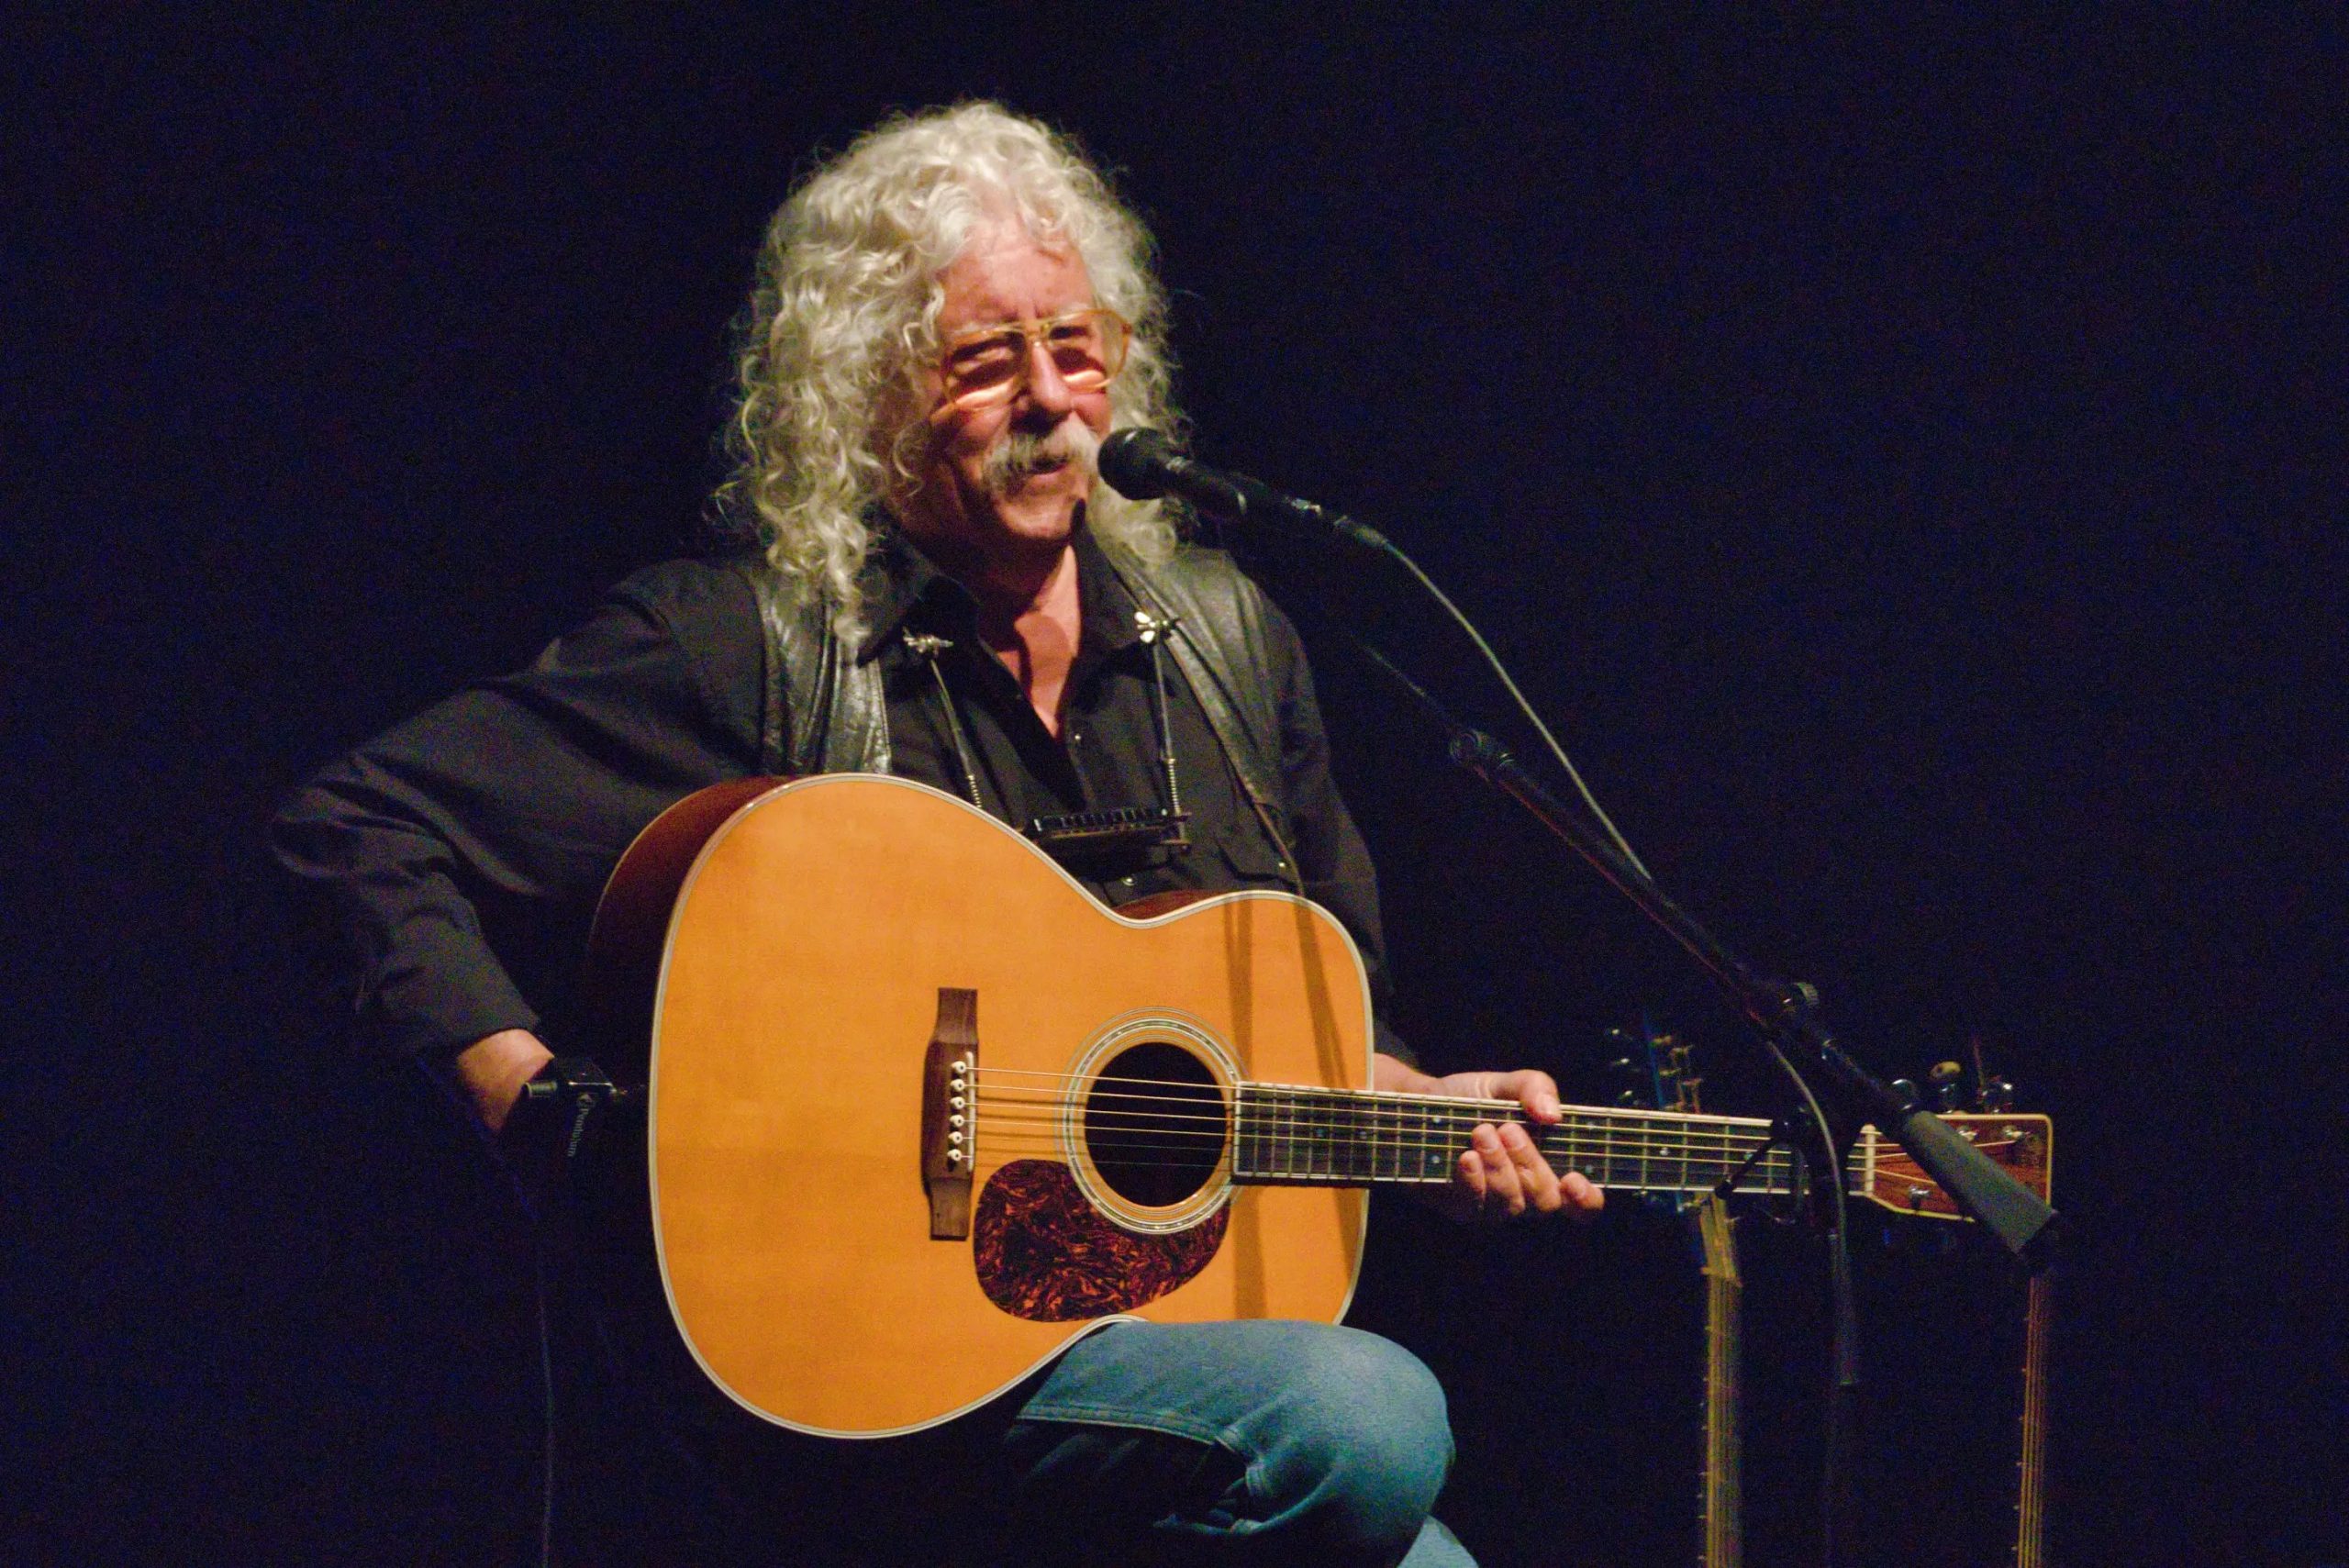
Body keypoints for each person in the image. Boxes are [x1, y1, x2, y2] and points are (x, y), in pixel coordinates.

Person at [273, 102, 1601, 1567]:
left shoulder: (1225, 647)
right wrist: (528, 1102)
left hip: (1151, 1360)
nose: (1053, 400)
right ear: (868, 396)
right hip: (851, 1382)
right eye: (986, 363)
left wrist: (1423, 1110)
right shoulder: (750, 647)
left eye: (1077, 348)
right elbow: (361, 823)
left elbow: (1300, 1020)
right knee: (1366, 1421)